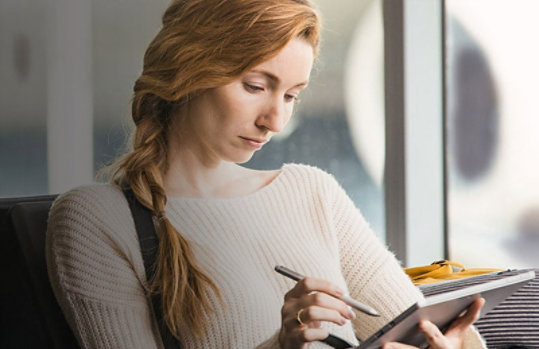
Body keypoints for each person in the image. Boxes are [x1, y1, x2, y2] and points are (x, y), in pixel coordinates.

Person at [45, 0, 486, 348]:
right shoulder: (96, 218)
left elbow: (424, 327)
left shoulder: (311, 191)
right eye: (256, 87)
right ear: (189, 70)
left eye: (292, 96)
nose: (275, 121)